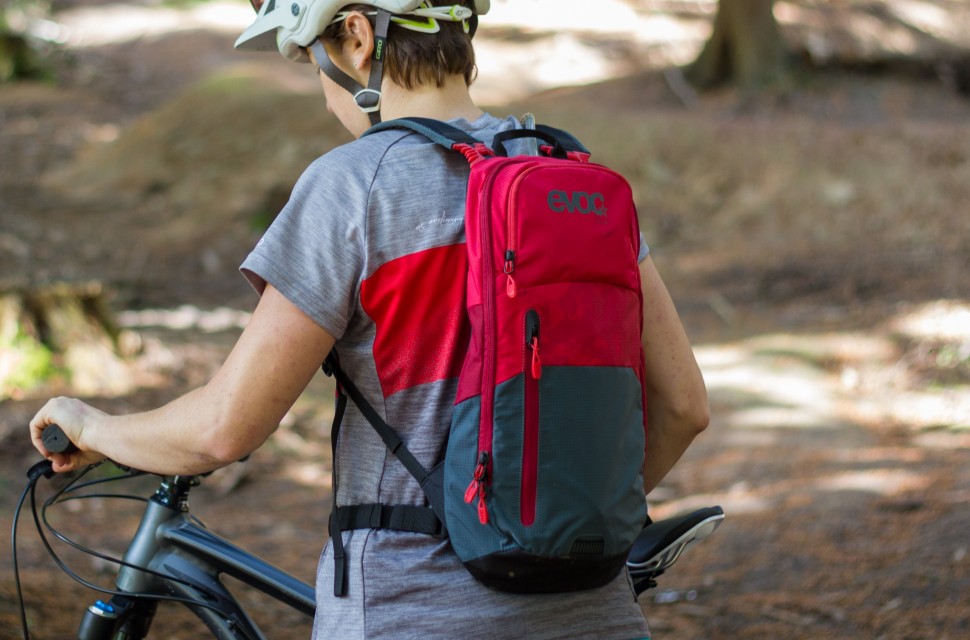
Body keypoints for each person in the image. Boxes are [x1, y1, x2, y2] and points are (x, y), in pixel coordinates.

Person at [29, 1, 710, 637]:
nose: (324, 95)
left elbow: (220, 431)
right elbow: (682, 407)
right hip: (596, 610)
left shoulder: (354, 184)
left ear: (356, 37)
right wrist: (548, 523)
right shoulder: (573, 179)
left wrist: (95, 428)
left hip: (411, 611)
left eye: (311, 61)